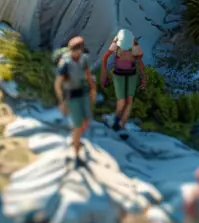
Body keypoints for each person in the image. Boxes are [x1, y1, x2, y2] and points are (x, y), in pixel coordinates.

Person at [55, 36, 97, 167]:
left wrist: (93, 90)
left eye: (78, 49)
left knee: (85, 120)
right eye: (74, 50)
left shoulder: (84, 59)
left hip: (83, 92)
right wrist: (62, 102)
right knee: (78, 125)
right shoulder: (66, 63)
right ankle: (76, 154)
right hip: (72, 95)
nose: (76, 52)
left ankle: (76, 139)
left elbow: (88, 75)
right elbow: (58, 84)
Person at [100, 28, 146, 140]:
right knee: (122, 101)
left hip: (130, 75)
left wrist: (143, 77)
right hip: (120, 75)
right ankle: (116, 120)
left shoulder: (133, 43)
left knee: (128, 101)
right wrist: (104, 73)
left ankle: (121, 125)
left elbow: (140, 61)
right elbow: (106, 56)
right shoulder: (117, 42)